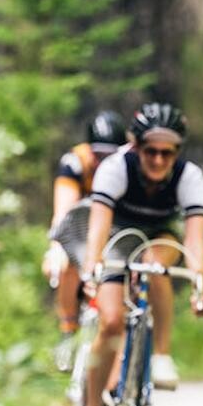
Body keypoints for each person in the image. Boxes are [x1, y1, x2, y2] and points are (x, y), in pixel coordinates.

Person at [73, 102, 203, 406]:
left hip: (159, 237)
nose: (159, 160)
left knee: (154, 264)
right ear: (135, 146)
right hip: (119, 235)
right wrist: (92, 267)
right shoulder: (116, 168)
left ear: (177, 151)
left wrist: (199, 287)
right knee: (111, 323)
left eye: (168, 153)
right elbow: (99, 228)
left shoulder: (189, 176)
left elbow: (195, 241)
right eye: (151, 151)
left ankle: (161, 355)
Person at [43, 110, 128, 372]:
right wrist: (57, 248)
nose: (103, 162)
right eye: (98, 155)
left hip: (116, 226)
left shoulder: (128, 165)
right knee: (66, 264)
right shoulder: (74, 163)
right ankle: (68, 329)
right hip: (79, 226)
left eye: (109, 156)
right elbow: (64, 213)